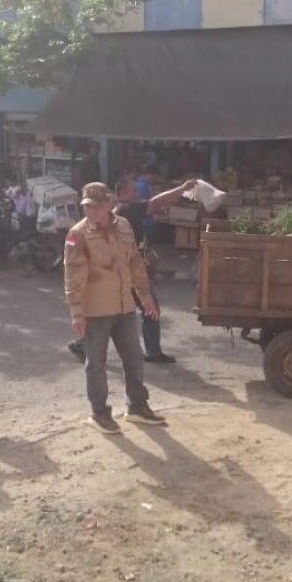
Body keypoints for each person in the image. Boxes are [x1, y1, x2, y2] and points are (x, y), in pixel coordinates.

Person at [64, 182, 165, 434]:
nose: (92, 212)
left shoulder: (124, 226)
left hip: (124, 307)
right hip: (95, 311)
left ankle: (137, 407)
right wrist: (77, 312)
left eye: (97, 207)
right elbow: (73, 276)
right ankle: (99, 413)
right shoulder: (77, 234)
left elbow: (135, 265)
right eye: (88, 207)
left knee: (134, 359)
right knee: (95, 364)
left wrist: (146, 297)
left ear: (110, 204)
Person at [68, 177, 197, 365]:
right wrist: (183, 189)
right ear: (124, 192)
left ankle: (81, 343)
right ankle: (151, 351)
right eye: (133, 190)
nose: (137, 192)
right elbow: (156, 202)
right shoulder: (128, 209)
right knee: (149, 307)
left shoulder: (119, 211)